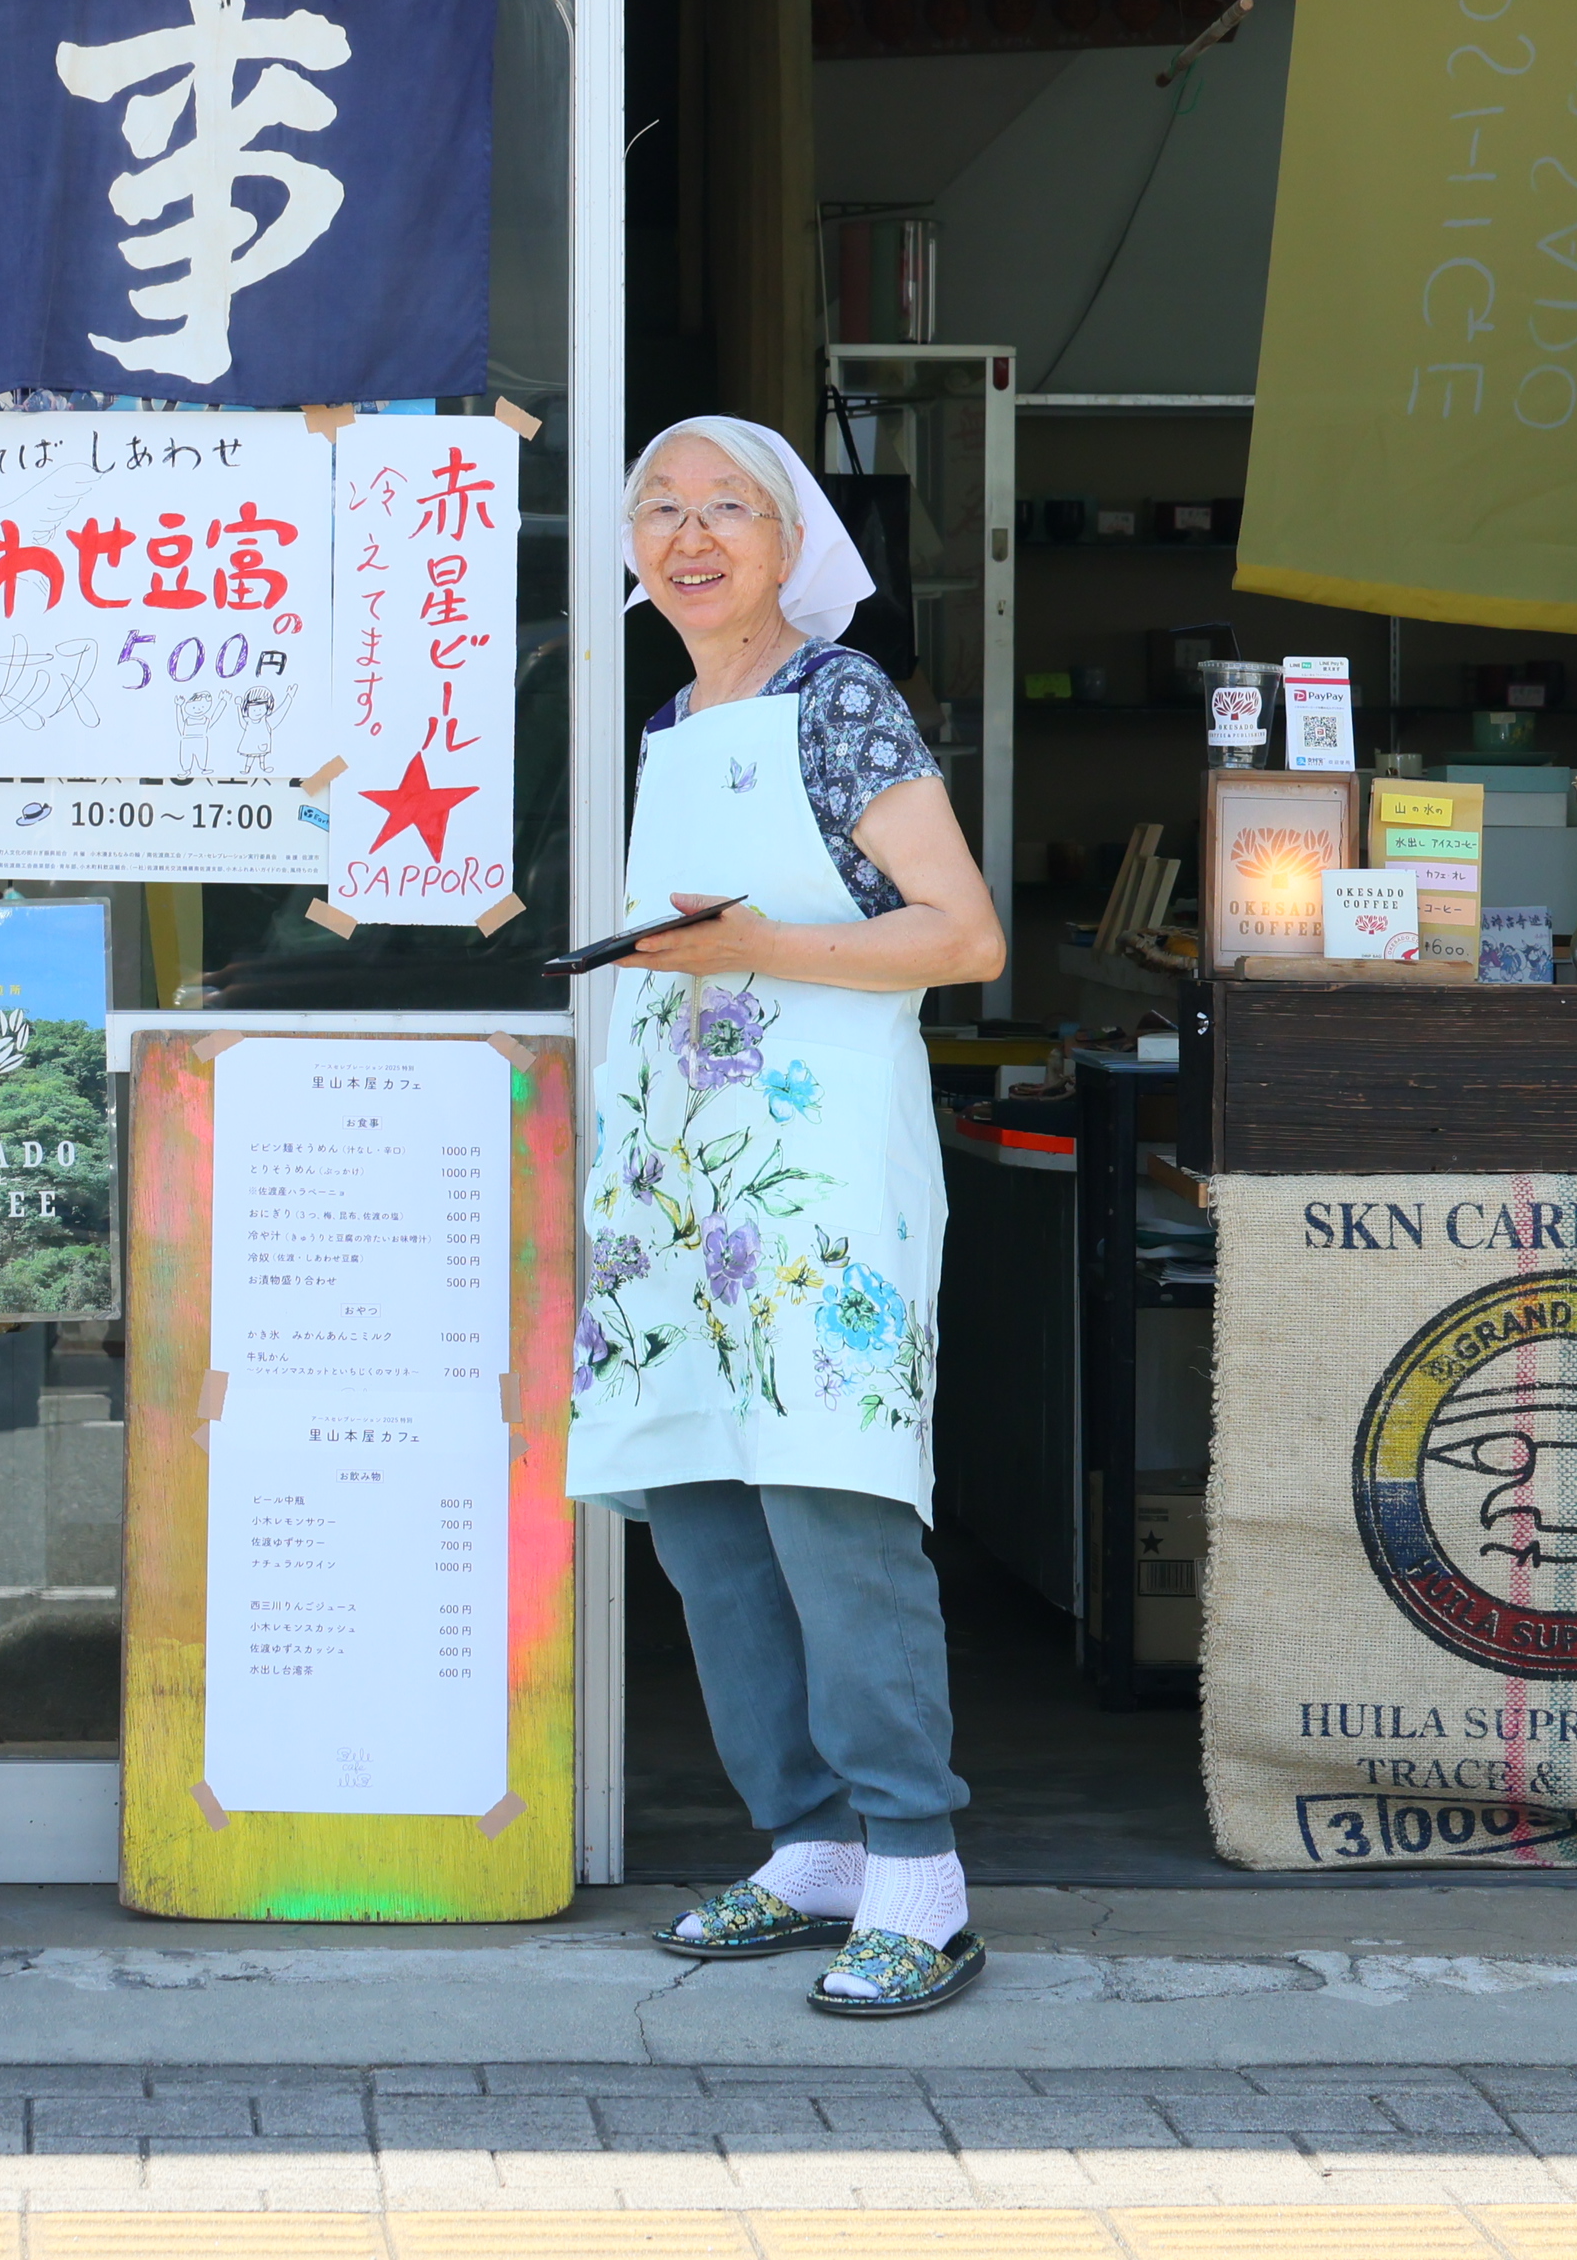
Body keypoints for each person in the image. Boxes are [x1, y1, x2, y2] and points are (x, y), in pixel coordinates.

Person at [570, 416, 1011, 2019]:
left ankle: (919, 1871)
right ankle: (809, 1843)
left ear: (790, 538)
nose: (690, 537)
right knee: (701, 1508)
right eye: (661, 510)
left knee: (835, 1502)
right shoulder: (675, 715)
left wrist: (754, 943)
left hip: (817, 1167)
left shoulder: (840, 700)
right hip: (678, 1162)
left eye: (727, 510)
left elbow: (962, 935)